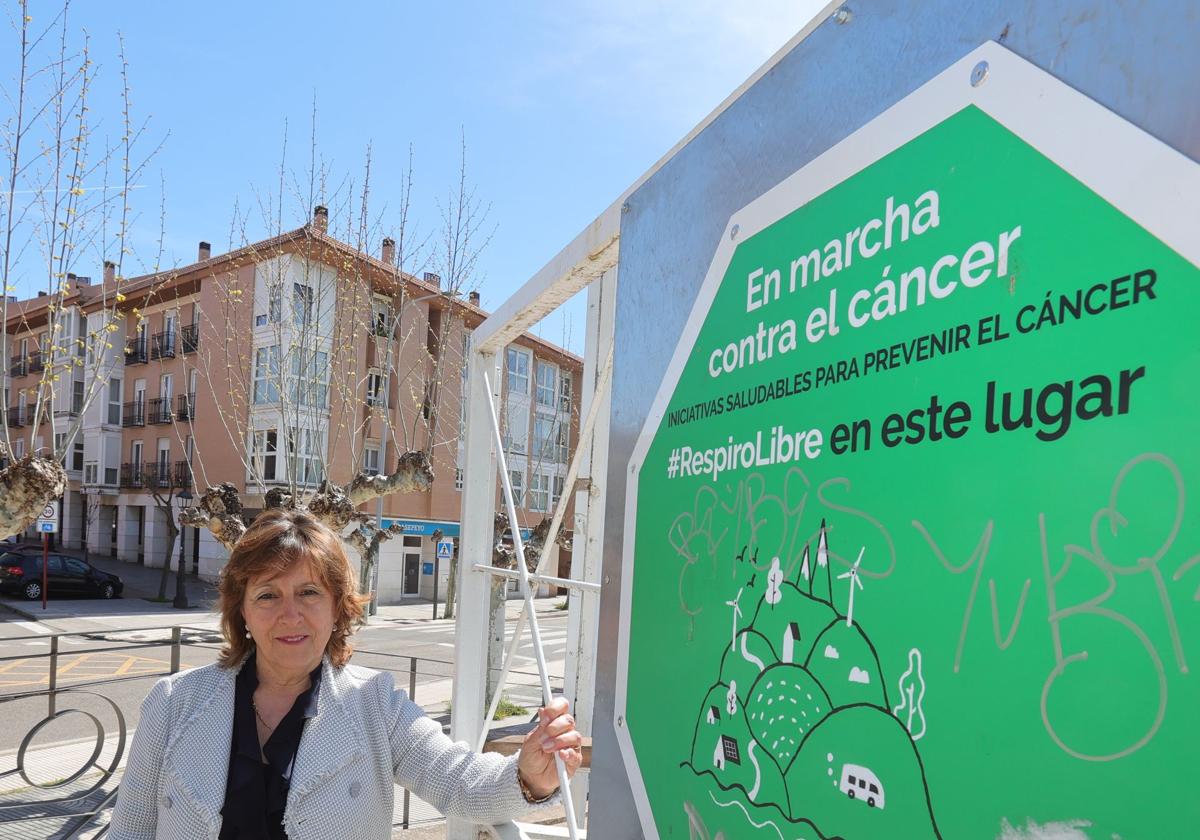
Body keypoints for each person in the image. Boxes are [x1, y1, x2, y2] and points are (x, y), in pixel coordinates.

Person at [109, 508, 582, 839]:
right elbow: (130, 831)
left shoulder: (375, 703)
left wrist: (530, 776)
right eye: (268, 595)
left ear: (338, 607)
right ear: (243, 613)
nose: (290, 615)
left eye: (310, 593)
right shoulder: (174, 703)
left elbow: (456, 781)